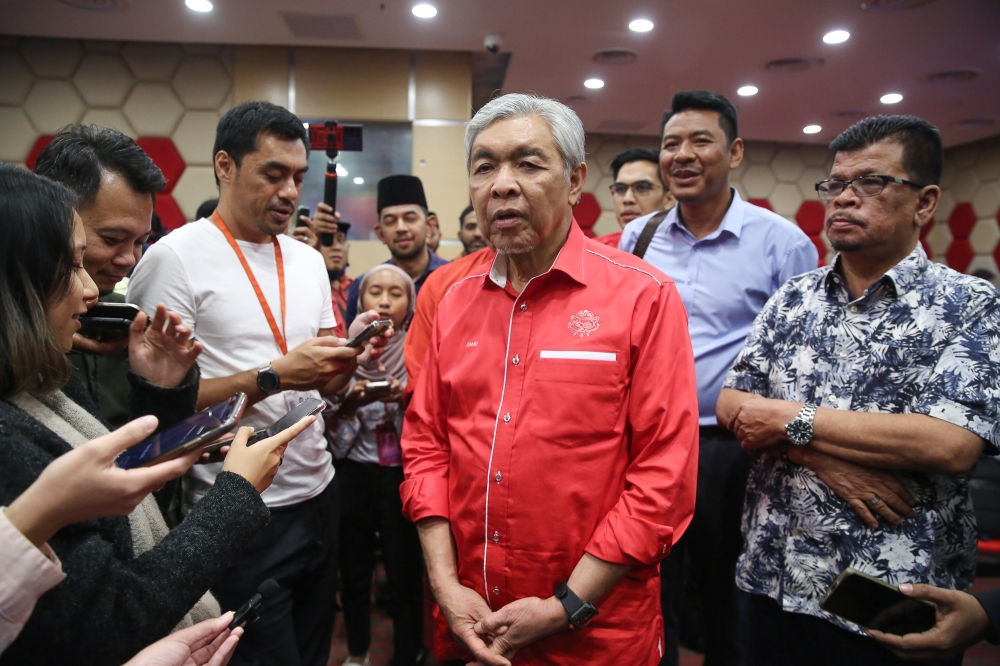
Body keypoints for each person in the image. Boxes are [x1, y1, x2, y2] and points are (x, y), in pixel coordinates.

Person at [401, 93, 699, 665]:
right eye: (484, 166)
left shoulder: (643, 297)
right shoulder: (452, 299)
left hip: (592, 630)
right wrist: (442, 582)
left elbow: (664, 477)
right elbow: (426, 447)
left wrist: (566, 606)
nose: (502, 185)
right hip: (468, 618)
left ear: (574, 180)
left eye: (528, 163)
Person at [716, 115, 1000, 666]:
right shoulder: (793, 298)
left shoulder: (969, 305)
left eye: (870, 183)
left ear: (925, 202)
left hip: (890, 593)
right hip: (773, 577)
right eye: (835, 184)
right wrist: (815, 454)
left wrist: (789, 420)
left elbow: (950, 443)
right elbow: (732, 403)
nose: (844, 199)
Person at [0, 164, 304, 666]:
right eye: (78, 261)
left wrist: (162, 393)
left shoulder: (47, 374)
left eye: (141, 241)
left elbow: (123, 487)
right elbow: (108, 616)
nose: (98, 287)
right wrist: (236, 493)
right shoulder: (15, 439)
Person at [127, 100, 384, 666]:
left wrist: (349, 359)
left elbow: (325, 386)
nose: (290, 192)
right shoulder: (175, 258)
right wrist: (269, 378)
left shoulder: (307, 260)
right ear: (225, 165)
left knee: (315, 651)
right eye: (273, 174)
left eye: (298, 176)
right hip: (236, 506)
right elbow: (155, 409)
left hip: (320, 492)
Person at [618, 90, 817, 666]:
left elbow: (804, 357)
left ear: (733, 153)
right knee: (654, 584)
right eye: (670, 144)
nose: (682, 154)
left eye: (699, 141)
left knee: (730, 592)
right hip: (652, 442)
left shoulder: (783, 243)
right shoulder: (640, 238)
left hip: (737, 449)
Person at [33, 124, 168, 428]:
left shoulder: (126, 321)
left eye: (139, 242)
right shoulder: (19, 336)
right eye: (111, 239)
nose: (129, 259)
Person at [328, 265, 425, 666]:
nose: (385, 301)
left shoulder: (422, 349)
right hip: (352, 470)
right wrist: (355, 399)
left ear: (411, 303)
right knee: (354, 568)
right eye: (375, 293)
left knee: (405, 571)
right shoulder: (344, 349)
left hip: (403, 470)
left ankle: (406, 654)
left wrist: (404, 400)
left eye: (396, 293)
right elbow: (327, 415)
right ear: (359, 301)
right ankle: (357, 651)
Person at [343, 175, 449, 327]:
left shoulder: (454, 280)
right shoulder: (364, 286)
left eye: (410, 218)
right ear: (380, 234)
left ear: (430, 226)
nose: (401, 228)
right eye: (390, 221)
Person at [293, 203, 355, 338]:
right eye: (328, 241)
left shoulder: (357, 287)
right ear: (313, 244)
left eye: (341, 240)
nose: (337, 247)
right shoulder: (301, 290)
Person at [595, 147, 674, 249]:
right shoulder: (593, 252)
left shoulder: (685, 251)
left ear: (669, 199)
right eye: (620, 189)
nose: (627, 199)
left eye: (642, 187)